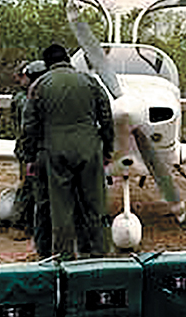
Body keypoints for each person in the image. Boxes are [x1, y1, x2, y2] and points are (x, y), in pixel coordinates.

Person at [19, 43, 113, 258]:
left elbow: (29, 127)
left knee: (61, 211)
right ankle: (100, 257)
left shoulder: (39, 86)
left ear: (48, 63)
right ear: (68, 59)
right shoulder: (90, 81)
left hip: (56, 152)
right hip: (90, 150)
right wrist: (107, 149)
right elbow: (106, 118)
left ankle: (65, 259)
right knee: (95, 206)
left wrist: (30, 158)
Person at [9, 60, 47, 238]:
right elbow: (29, 128)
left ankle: (30, 224)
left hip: (31, 150)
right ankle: (18, 224)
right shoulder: (23, 99)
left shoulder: (27, 97)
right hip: (28, 151)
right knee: (28, 187)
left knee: (33, 187)